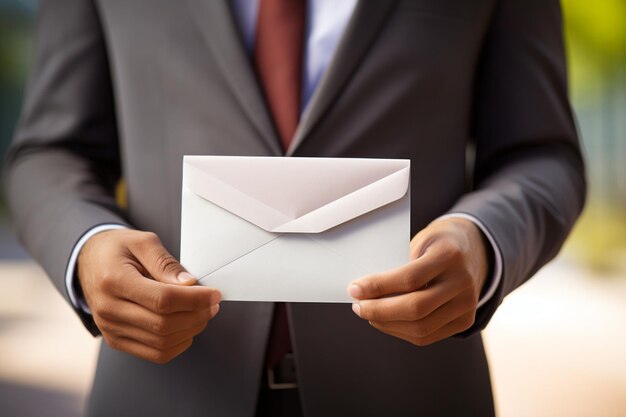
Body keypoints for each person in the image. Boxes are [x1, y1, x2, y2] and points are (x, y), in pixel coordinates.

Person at [4, 0, 586, 416]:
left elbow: (542, 153)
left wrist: (482, 240)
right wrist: (88, 245)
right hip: (166, 388)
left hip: (410, 387)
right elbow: (50, 152)